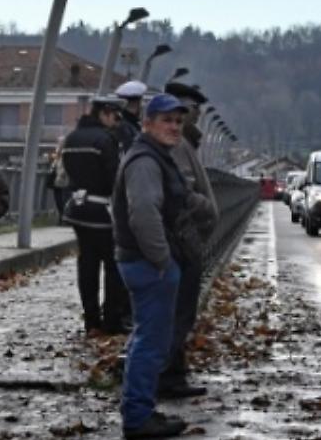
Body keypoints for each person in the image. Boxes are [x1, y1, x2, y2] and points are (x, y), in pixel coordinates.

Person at [113, 94, 192, 438]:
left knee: (146, 338)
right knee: (151, 341)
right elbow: (144, 213)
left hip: (145, 261)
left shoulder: (154, 156)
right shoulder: (145, 162)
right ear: (147, 123)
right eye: (166, 120)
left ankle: (140, 408)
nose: (174, 127)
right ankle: (138, 418)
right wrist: (162, 260)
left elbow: (177, 197)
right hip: (149, 264)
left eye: (178, 121)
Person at [157, 82, 218, 399]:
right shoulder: (179, 145)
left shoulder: (183, 143)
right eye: (191, 111)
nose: (193, 117)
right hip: (182, 241)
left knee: (179, 311)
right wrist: (205, 210)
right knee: (178, 312)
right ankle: (168, 376)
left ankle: (174, 372)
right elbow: (182, 192)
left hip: (182, 240)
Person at [60, 95, 130, 336]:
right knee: (113, 266)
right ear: (104, 113)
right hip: (103, 211)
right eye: (115, 116)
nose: (117, 122)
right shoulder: (106, 140)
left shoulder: (72, 138)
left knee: (87, 265)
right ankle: (111, 320)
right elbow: (115, 179)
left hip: (78, 209)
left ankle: (91, 321)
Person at [114, 80, 148, 152]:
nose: (143, 105)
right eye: (142, 101)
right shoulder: (125, 126)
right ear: (137, 103)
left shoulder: (124, 122)